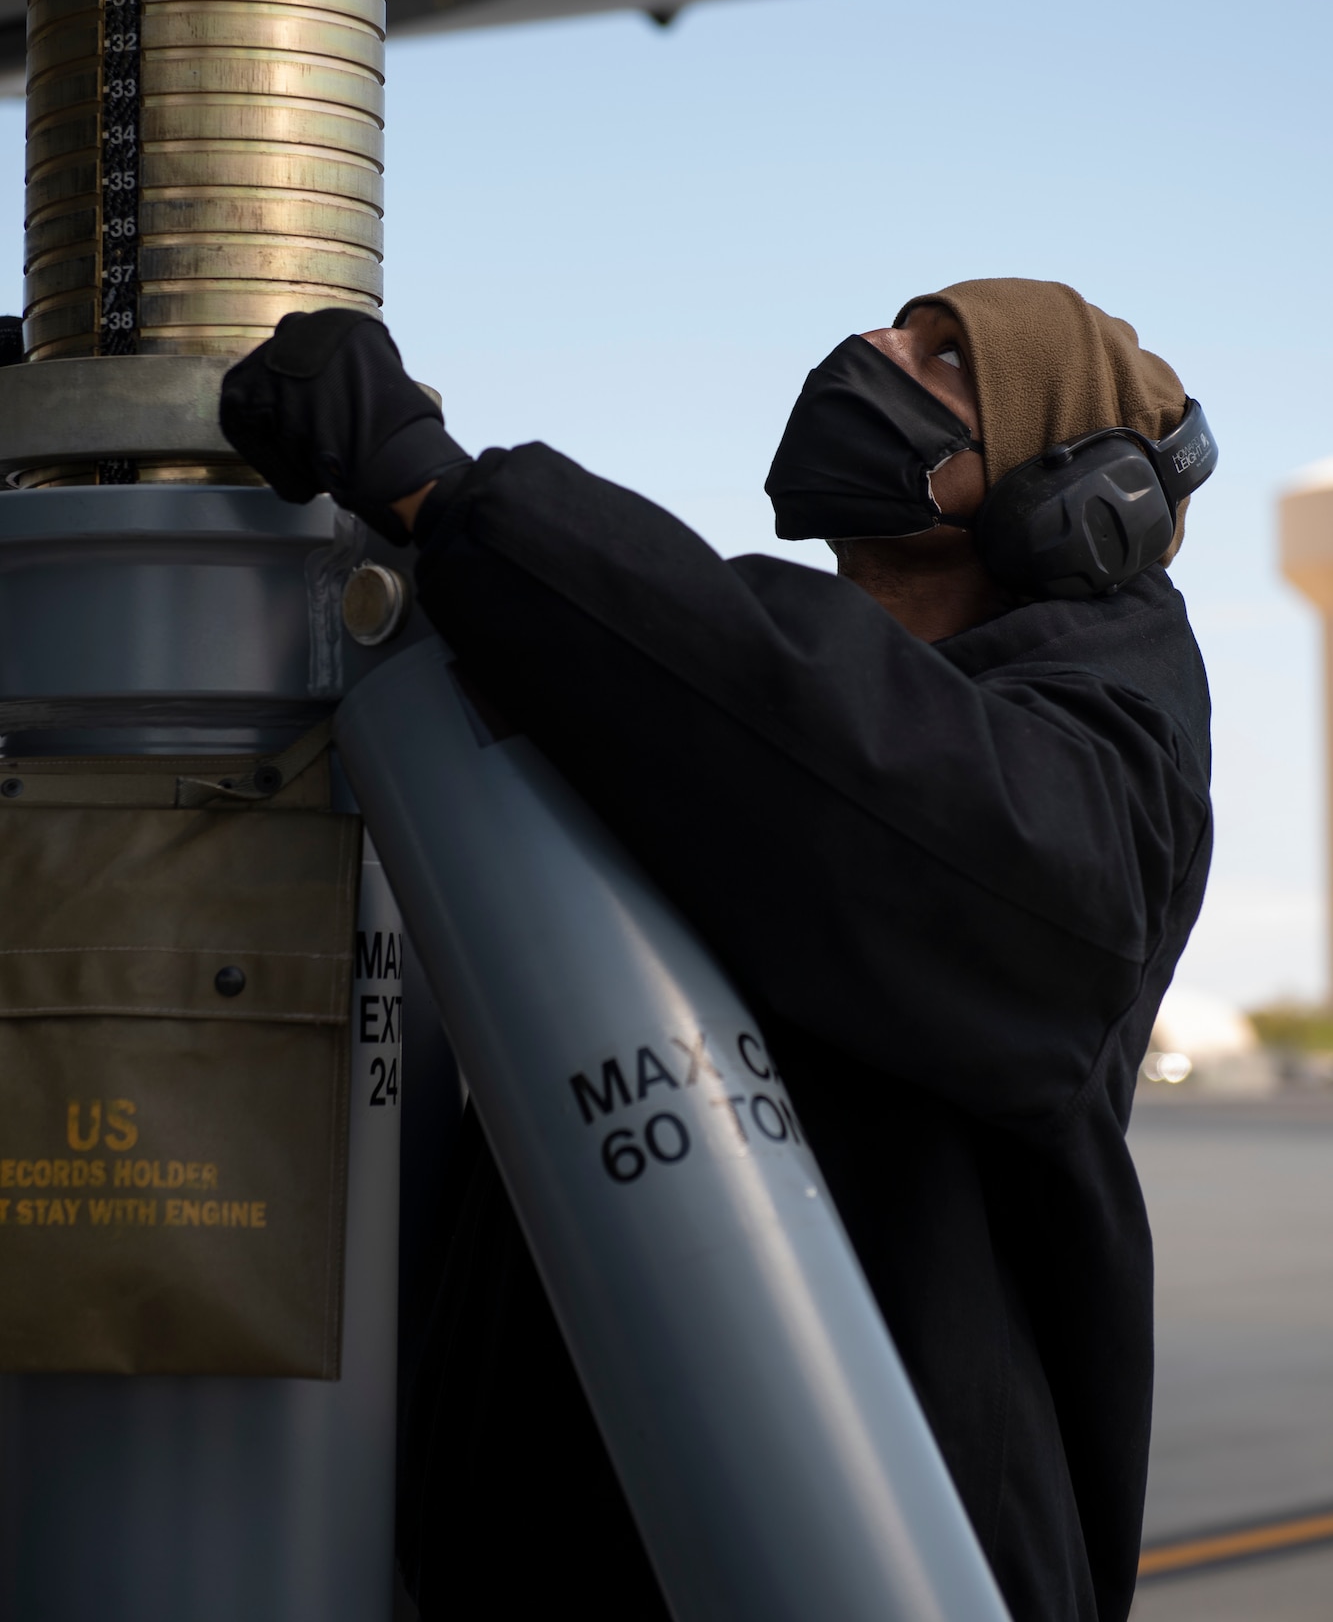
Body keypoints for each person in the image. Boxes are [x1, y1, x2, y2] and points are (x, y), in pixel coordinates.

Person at [220, 276, 1213, 1622]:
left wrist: (448, 498)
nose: (872, 348)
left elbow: (862, 761)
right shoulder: (757, 741)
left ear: (1068, 496)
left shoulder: (1104, 751)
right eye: (894, 327)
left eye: (942, 361)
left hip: (873, 1540)